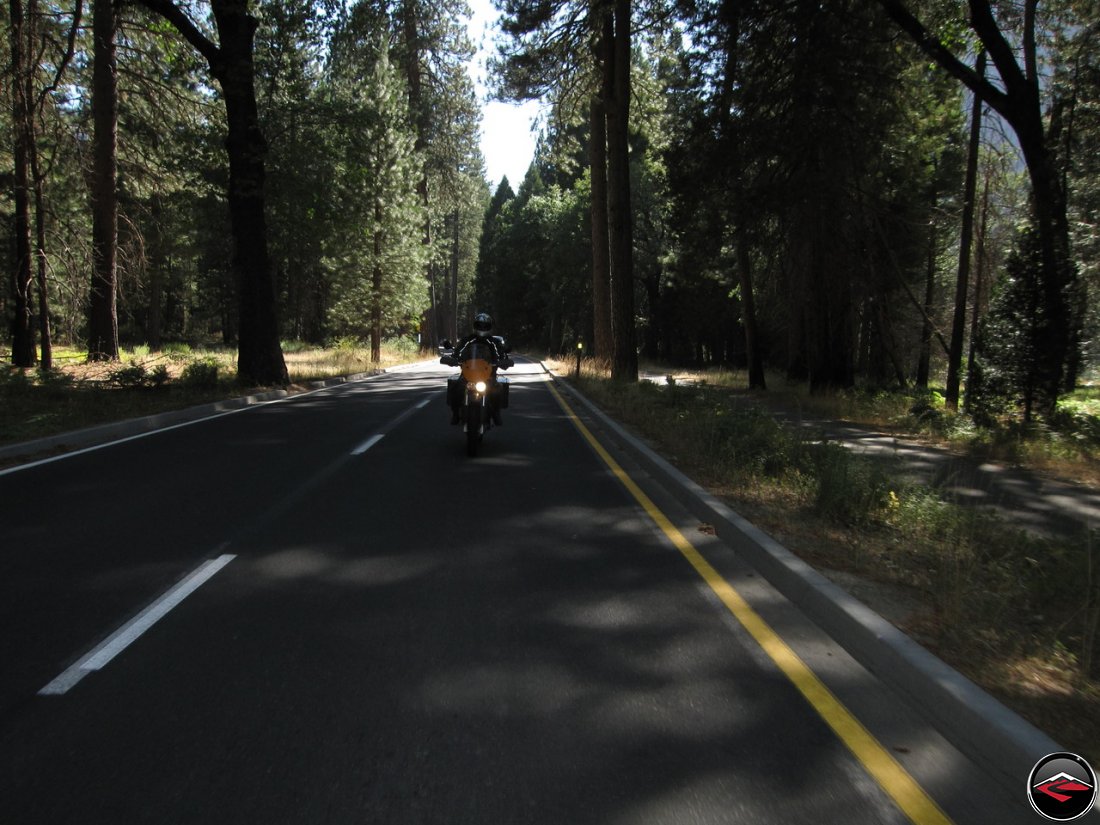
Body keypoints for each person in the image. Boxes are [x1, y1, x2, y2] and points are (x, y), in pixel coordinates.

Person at [444, 312, 512, 424]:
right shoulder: (468, 340)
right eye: (479, 325)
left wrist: (504, 361)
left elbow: (501, 355)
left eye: (485, 326)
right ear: (475, 326)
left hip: (489, 375)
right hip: (468, 374)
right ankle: (455, 413)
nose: (482, 328)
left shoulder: (494, 342)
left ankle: (496, 412)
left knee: (497, 390)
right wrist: (452, 359)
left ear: (490, 327)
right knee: (456, 389)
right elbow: (457, 352)